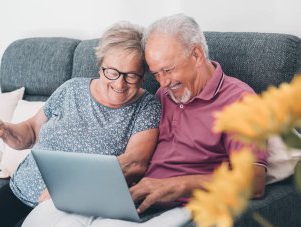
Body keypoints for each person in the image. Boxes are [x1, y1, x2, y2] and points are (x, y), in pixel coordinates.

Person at [21, 14, 267, 227]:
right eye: (156, 73)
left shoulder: (239, 101)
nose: (162, 84)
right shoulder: (164, 95)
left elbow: (254, 182)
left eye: (168, 70)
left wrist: (178, 185)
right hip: (130, 196)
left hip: (176, 205)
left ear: (196, 55)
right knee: (46, 216)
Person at [0, 21, 161, 227]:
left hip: (72, 207)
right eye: (113, 72)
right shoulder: (71, 89)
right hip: (20, 190)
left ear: (142, 75)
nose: (120, 83)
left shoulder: (147, 106)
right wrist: (6, 130)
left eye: (131, 75)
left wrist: (67, 190)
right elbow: (31, 132)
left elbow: (134, 163)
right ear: (100, 67)